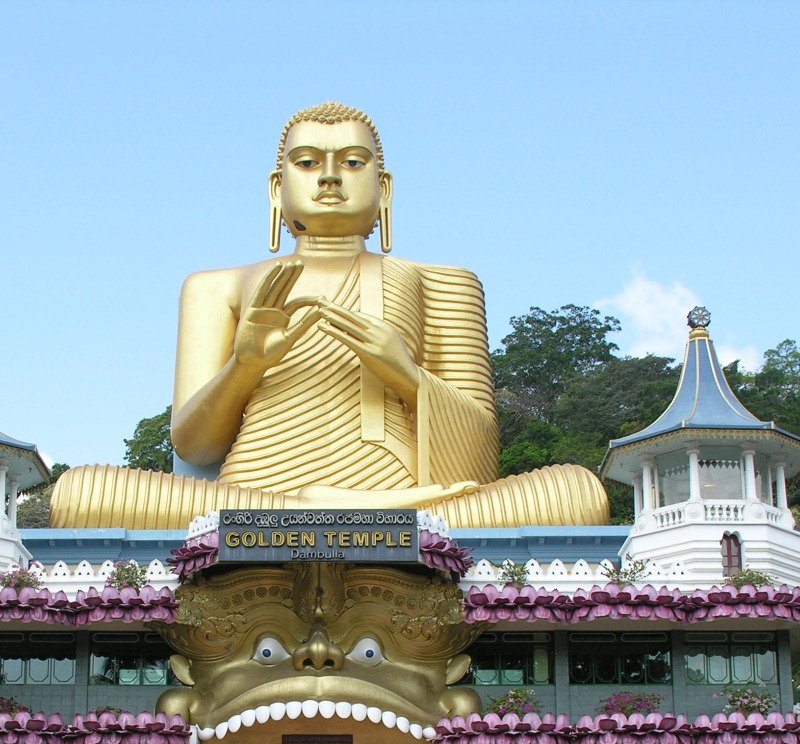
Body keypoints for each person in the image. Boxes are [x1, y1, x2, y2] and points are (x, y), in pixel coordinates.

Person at [51, 102, 610, 530]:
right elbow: (195, 448)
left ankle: (339, 515)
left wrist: (405, 375)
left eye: (352, 162)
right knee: (78, 493)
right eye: (308, 162)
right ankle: (324, 514)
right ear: (278, 188)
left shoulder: (443, 281)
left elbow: (481, 459)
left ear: (383, 188)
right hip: (254, 498)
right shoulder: (215, 286)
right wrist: (243, 367)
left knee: (578, 493)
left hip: (399, 497)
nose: (330, 177)